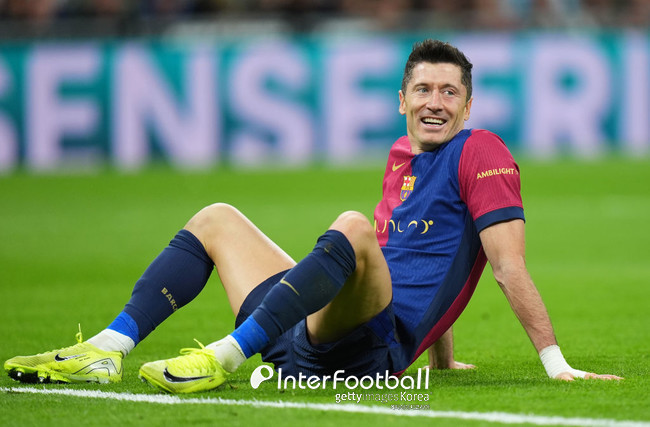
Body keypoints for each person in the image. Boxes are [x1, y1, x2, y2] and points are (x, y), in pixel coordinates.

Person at [4, 39, 622, 393]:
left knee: (353, 227)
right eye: (423, 90)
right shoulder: (402, 158)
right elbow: (415, 254)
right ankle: (108, 348)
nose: (435, 102)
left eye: (449, 92)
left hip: (366, 349)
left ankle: (222, 358)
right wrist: (441, 358)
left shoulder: (481, 150)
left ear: (468, 106)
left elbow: (504, 265)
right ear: (401, 99)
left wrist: (556, 364)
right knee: (216, 218)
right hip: (305, 334)